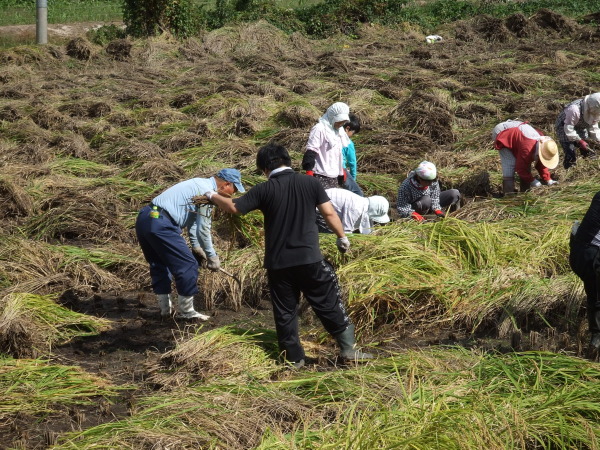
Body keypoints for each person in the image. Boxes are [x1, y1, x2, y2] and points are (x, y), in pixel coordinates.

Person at [205, 143, 373, 367]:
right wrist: (342, 236)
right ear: (288, 161)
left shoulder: (264, 189)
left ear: (264, 169)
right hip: (309, 258)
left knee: (285, 312)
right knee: (327, 302)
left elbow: (234, 207)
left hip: (278, 264)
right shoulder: (310, 182)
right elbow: (329, 212)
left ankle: (293, 360)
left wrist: (211, 195)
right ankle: (348, 350)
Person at [135, 169, 245, 320]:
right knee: (188, 265)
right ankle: (187, 312)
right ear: (227, 184)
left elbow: (193, 223)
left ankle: (165, 311)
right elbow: (203, 230)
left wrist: (197, 247)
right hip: (162, 223)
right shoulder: (208, 193)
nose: (232, 194)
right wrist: (212, 256)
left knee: (159, 263)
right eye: (234, 189)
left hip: (146, 217)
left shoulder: (198, 183)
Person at [493, 120, 559, 195]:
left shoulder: (544, 144)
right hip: (503, 131)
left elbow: (542, 162)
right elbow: (520, 168)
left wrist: (548, 179)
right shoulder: (528, 147)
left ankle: (524, 193)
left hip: (519, 134)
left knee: (526, 163)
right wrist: (532, 181)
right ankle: (509, 196)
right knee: (510, 164)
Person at [570, 191, 600, 353]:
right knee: (596, 297)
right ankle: (596, 341)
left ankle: (595, 342)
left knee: (594, 296)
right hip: (590, 255)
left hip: (581, 253)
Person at [302, 102, 350, 190]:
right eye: (339, 121)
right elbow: (311, 151)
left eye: (343, 122)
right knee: (321, 202)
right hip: (320, 175)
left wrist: (341, 170)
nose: (341, 124)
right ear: (332, 117)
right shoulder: (320, 129)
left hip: (333, 176)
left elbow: (338, 153)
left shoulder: (339, 131)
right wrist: (309, 171)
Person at [396, 161, 461, 222]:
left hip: (430, 204)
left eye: (432, 180)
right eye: (427, 181)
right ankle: (423, 217)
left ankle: (453, 215)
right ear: (418, 178)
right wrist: (415, 215)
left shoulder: (432, 181)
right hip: (417, 207)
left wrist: (437, 210)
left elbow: (435, 196)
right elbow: (402, 208)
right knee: (426, 200)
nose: (430, 183)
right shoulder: (406, 186)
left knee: (454, 193)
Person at [555, 93, 600, 169]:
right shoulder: (574, 110)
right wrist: (580, 141)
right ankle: (570, 169)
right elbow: (569, 129)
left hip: (580, 127)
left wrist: (598, 140)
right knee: (570, 151)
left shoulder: (596, 111)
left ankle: (591, 167)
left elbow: (594, 127)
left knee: (589, 150)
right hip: (565, 128)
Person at [316, 188, 389, 234]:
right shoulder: (356, 209)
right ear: (373, 211)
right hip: (317, 208)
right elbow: (346, 231)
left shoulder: (363, 203)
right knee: (333, 232)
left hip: (323, 204)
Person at [341, 114, 364, 197]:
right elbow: (352, 163)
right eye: (353, 133)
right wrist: (353, 180)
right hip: (340, 171)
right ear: (347, 128)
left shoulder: (333, 137)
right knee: (358, 194)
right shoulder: (348, 143)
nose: (352, 136)